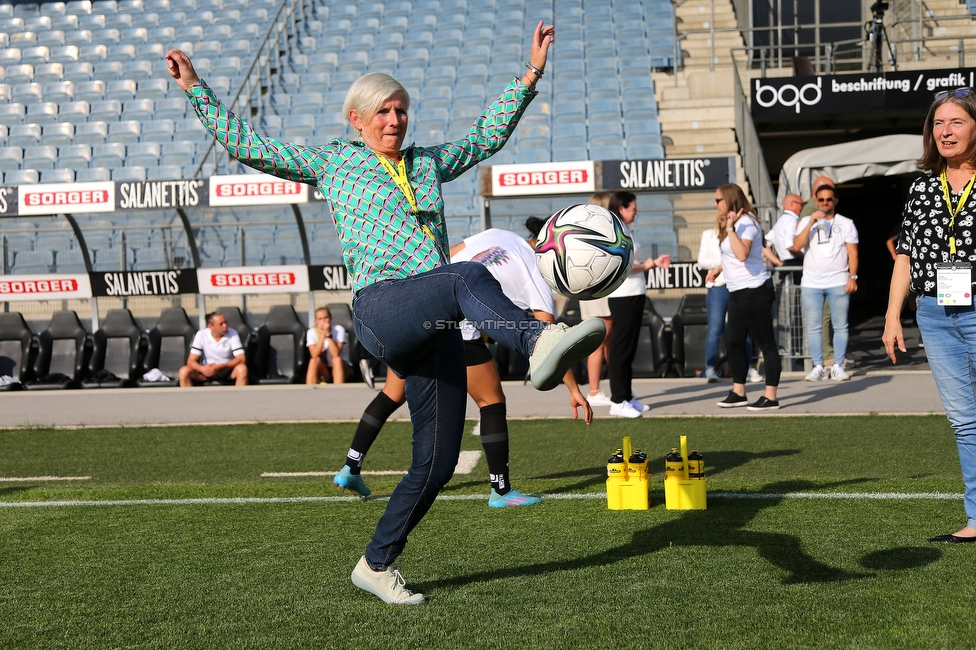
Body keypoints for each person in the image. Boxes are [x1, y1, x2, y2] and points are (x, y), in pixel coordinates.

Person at [167, 22, 607, 605]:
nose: (394, 120)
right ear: (357, 118)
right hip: (382, 309)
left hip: (438, 322)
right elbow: (250, 146)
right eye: (382, 112)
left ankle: (376, 564)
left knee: (438, 462)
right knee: (468, 274)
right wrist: (196, 87)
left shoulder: (427, 162)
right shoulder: (334, 163)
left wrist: (531, 74)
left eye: (400, 110)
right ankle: (536, 342)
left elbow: (487, 135)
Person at [334, 224, 592, 508]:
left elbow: (448, 254)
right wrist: (573, 388)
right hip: (454, 328)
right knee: (491, 400)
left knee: (391, 394)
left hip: (418, 308)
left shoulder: (499, 234)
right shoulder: (537, 274)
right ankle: (501, 490)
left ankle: (350, 467)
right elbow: (547, 340)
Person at [884, 85, 976, 544]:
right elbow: (905, 254)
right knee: (964, 419)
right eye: (938, 123)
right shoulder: (922, 184)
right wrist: (891, 316)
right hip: (934, 314)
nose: (945, 130)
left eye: (956, 121)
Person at [707, 184, 782, 411]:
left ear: (730, 200)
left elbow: (742, 254)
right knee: (735, 342)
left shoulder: (746, 221)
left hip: (755, 290)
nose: (715, 204)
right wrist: (719, 268)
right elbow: (731, 254)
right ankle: (739, 391)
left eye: (719, 199)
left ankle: (770, 396)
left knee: (766, 343)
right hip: (737, 290)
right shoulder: (735, 222)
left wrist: (730, 228)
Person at [606, 191, 671, 418]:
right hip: (623, 295)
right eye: (633, 208)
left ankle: (626, 395)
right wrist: (647, 265)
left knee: (629, 347)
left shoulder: (624, 230)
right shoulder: (615, 231)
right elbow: (622, 264)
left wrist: (649, 264)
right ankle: (617, 400)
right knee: (621, 347)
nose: (637, 211)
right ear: (622, 208)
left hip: (634, 293)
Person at [793, 184, 859, 381]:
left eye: (829, 199)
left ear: (835, 201)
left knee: (840, 325)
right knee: (813, 326)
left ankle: (838, 365)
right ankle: (818, 365)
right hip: (811, 281)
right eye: (821, 200)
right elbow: (796, 246)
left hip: (838, 279)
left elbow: (853, 253)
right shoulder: (807, 220)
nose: (824, 203)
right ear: (815, 200)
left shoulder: (846, 223)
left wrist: (853, 277)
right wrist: (811, 222)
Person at [696, 212, 763, 384]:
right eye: (724, 218)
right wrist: (723, 260)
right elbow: (702, 261)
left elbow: (742, 256)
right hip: (718, 285)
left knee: (743, 328)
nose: (726, 221)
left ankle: (747, 368)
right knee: (715, 328)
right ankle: (710, 367)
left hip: (737, 284)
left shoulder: (738, 234)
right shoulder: (708, 235)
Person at [577, 192, 614, 406]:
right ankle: (594, 390)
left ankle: (614, 386)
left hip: (591, 290)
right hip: (599, 290)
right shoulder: (601, 233)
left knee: (607, 342)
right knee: (600, 342)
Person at [178, 312, 248, 387]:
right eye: (221, 324)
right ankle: (189, 398)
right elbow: (191, 361)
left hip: (227, 370)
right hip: (207, 371)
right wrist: (202, 369)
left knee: (242, 369)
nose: (225, 326)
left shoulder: (233, 333)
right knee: (184, 371)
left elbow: (241, 359)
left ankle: (239, 398)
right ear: (211, 326)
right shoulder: (201, 334)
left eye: (225, 322)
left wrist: (220, 367)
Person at [306, 306, 351, 384]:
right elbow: (314, 354)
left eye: (325, 318)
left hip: (340, 367)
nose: (323, 321)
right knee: (313, 361)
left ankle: (339, 390)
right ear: (316, 321)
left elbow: (336, 354)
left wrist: (328, 335)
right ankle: (309, 391)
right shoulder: (311, 332)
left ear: (330, 318)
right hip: (324, 370)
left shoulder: (339, 329)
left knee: (337, 360)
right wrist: (323, 336)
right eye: (320, 319)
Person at [769, 193, 804, 263]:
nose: (802, 207)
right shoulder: (791, 220)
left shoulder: (780, 221)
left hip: (786, 263)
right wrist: (805, 257)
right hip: (795, 262)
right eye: (801, 204)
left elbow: (765, 244)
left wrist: (777, 262)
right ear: (792, 204)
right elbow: (790, 246)